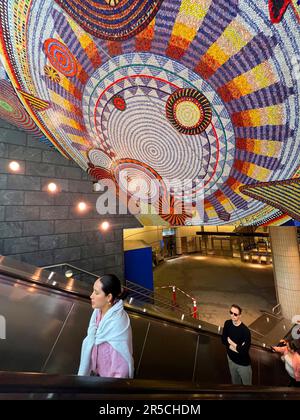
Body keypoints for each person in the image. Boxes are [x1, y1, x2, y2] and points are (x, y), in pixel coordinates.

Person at [78, 274, 134, 378]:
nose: (91, 296)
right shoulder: (97, 313)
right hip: (96, 374)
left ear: (109, 297)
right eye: (93, 291)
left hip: (108, 383)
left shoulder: (117, 325)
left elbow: (122, 370)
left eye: (96, 292)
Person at [222, 304, 252, 385]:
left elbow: (244, 351)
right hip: (231, 359)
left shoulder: (245, 331)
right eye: (231, 313)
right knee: (235, 385)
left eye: (235, 314)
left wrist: (231, 343)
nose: (232, 316)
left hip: (243, 364)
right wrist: (238, 348)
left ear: (240, 316)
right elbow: (223, 340)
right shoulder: (227, 323)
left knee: (248, 386)